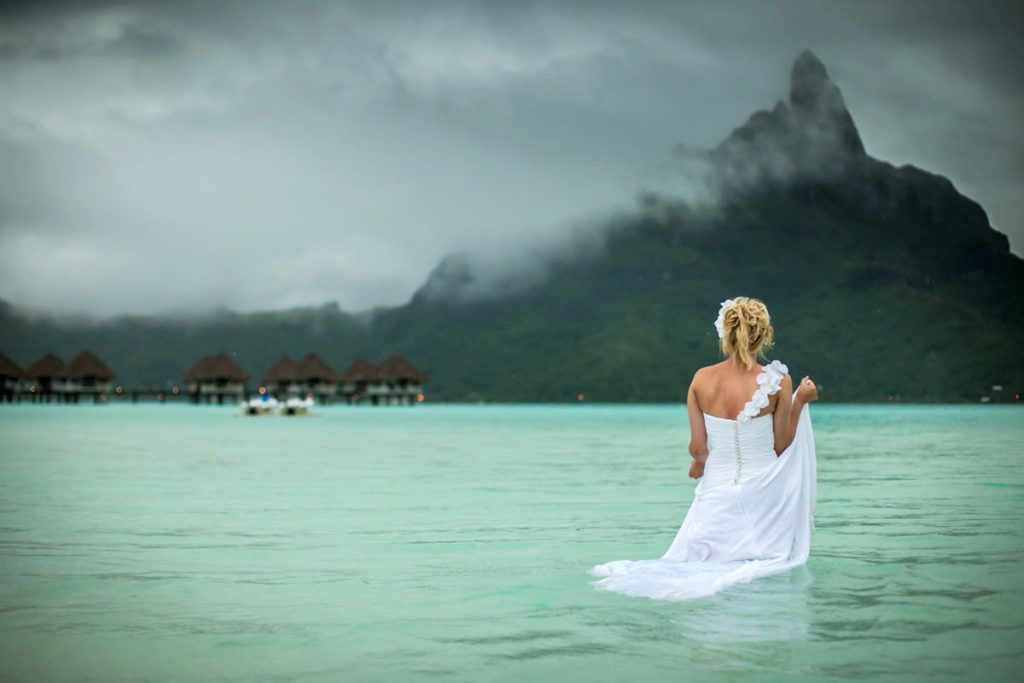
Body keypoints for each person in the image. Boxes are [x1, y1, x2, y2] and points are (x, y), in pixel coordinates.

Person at [588, 297, 819, 601]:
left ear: (724, 333)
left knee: (701, 564)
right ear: (763, 334)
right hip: (765, 493)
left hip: (716, 492)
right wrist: (800, 400)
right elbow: (782, 445)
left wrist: (700, 463)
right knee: (752, 573)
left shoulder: (701, 379)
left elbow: (698, 448)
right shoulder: (778, 381)